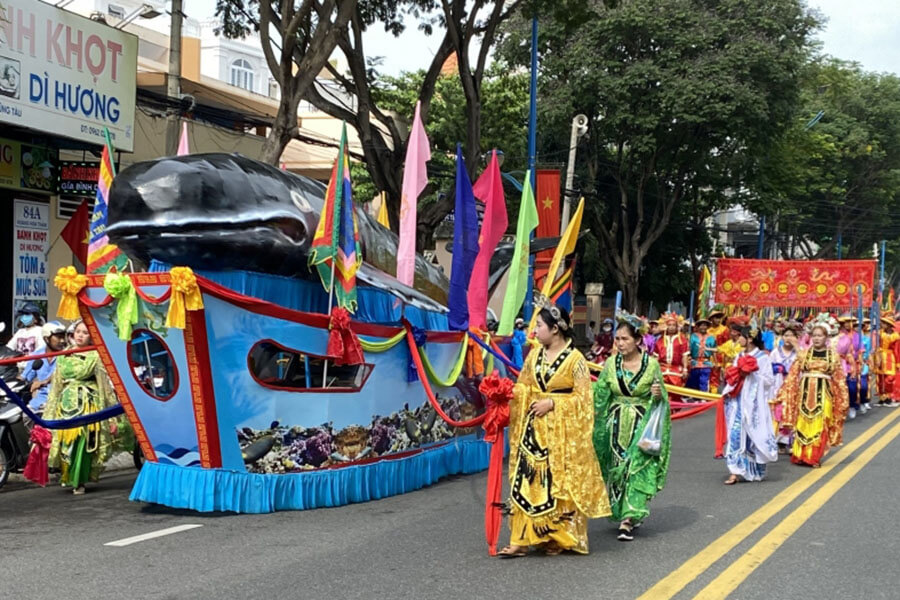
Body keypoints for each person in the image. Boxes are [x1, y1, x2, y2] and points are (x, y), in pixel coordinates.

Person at [498, 301, 610, 557]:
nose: (534, 331)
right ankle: (520, 540)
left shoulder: (575, 360)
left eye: (538, 325)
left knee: (556, 486)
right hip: (533, 430)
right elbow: (523, 385)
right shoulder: (534, 355)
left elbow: (584, 400)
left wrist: (553, 403)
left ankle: (557, 537)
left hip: (561, 437)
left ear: (555, 329)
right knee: (526, 482)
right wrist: (504, 393)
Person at [593, 314, 671, 541]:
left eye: (624, 339)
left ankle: (630, 516)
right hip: (615, 425)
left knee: (637, 467)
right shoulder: (610, 364)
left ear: (637, 340)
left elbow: (661, 398)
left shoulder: (651, 365)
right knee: (618, 467)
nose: (619, 343)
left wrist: (657, 396)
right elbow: (600, 395)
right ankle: (623, 510)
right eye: (617, 339)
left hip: (641, 423)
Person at [43, 320, 119, 495]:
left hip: (88, 404)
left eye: (85, 333)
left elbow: (104, 386)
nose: (80, 335)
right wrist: (48, 415)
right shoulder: (63, 355)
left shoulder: (96, 355)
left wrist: (112, 416)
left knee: (85, 444)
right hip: (67, 404)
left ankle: (79, 480)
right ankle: (69, 477)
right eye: (78, 332)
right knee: (67, 444)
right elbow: (56, 386)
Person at [777, 314, 849, 467]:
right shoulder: (805, 353)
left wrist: (842, 398)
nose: (816, 339)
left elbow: (839, 379)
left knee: (820, 422)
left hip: (824, 393)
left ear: (826, 337)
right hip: (804, 392)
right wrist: (786, 392)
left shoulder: (833, 356)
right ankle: (800, 455)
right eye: (814, 335)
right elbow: (793, 374)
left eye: (820, 336)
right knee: (803, 422)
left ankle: (813, 456)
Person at [721, 326, 777, 484]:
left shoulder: (763, 358)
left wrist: (752, 374)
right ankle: (734, 471)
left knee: (753, 436)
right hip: (738, 402)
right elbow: (732, 376)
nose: (738, 339)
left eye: (741, 336)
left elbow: (769, 381)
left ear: (750, 339)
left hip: (754, 405)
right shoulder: (738, 355)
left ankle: (754, 470)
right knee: (735, 434)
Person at [20, 322, 67, 411]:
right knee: (26, 414)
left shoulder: (68, 355)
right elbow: (25, 377)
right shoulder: (37, 355)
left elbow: (62, 373)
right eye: (58, 337)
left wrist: (44, 382)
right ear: (46, 339)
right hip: (40, 400)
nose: (62, 341)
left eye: (63, 337)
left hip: (62, 398)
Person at [769, 323, 801, 451]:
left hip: (794, 385)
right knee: (779, 412)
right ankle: (779, 441)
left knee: (793, 411)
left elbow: (804, 364)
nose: (788, 338)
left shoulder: (798, 352)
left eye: (791, 335)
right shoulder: (775, 352)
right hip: (779, 385)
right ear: (781, 337)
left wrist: (797, 348)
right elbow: (769, 368)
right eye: (786, 335)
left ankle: (791, 440)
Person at [653, 313, 689, 403]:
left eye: (674, 325)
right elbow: (655, 357)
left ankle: (673, 411)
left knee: (675, 393)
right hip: (662, 369)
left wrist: (685, 369)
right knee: (660, 392)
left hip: (676, 370)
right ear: (666, 326)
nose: (672, 327)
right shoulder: (660, 340)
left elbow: (685, 355)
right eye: (669, 325)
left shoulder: (682, 340)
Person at [6, 302, 45, 369]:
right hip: (17, 368)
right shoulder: (20, 332)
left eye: (27, 314)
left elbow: (41, 350)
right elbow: (9, 348)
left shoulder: (40, 331)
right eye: (23, 314)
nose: (24, 316)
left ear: (36, 319)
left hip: (33, 368)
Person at [835, 315, 860, 420]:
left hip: (850, 364)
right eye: (844, 322)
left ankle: (853, 405)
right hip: (837, 365)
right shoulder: (836, 336)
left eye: (849, 321)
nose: (847, 324)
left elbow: (859, 349)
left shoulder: (856, 335)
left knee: (852, 388)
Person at [687, 318, 717, 392]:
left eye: (705, 325)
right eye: (702, 325)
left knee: (704, 381)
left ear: (707, 327)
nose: (703, 327)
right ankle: (694, 399)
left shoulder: (712, 338)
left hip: (706, 363)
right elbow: (688, 349)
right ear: (698, 326)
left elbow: (714, 351)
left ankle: (703, 399)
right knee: (693, 381)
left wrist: (716, 363)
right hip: (694, 362)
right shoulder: (693, 336)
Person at [876, 317, 898, 405]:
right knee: (880, 378)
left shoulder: (895, 336)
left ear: (889, 325)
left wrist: (898, 363)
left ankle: (888, 396)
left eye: (884, 323)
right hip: (880, 357)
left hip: (890, 358)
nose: (882, 324)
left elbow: (897, 350)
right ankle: (882, 397)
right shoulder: (880, 333)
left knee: (889, 378)